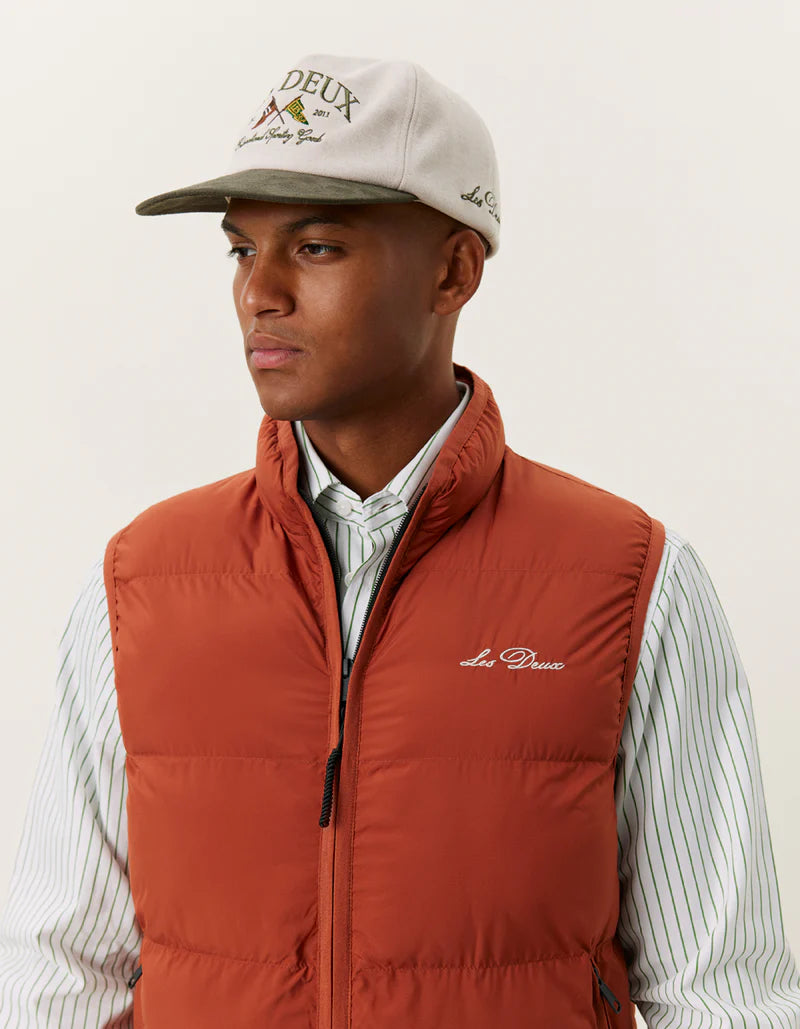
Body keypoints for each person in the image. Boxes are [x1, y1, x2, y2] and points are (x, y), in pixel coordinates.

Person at [0, 51, 798, 1029]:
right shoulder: (142, 585)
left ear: (453, 271)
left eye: (316, 247)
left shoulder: (629, 582)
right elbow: (57, 977)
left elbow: (721, 993)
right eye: (241, 250)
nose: (260, 293)